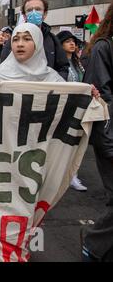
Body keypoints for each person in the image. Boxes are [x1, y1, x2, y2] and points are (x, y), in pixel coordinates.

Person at [82, 2, 113, 262]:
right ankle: (93, 246)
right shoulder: (104, 48)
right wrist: (108, 141)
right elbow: (101, 99)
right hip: (110, 136)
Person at [1, 0, 69, 80]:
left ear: (45, 14)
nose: (33, 13)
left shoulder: (52, 40)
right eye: (29, 10)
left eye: (38, 9)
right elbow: (4, 66)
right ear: (24, 15)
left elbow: (63, 67)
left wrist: (55, 85)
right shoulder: (14, 40)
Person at [57, 30, 88, 191]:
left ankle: (72, 175)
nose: (72, 44)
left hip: (78, 107)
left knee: (75, 143)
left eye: (73, 41)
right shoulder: (58, 65)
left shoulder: (78, 64)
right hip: (63, 108)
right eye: (67, 41)